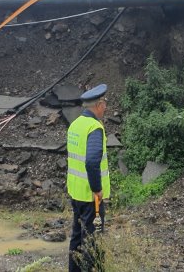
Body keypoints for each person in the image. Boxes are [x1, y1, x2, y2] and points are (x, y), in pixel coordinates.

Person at [66, 84, 110, 272]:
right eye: (105, 103)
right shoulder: (94, 127)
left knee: (77, 237)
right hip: (90, 196)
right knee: (92, 239)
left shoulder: (75, 124)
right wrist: (97, 189)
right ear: (99, 104)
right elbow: (92, 162)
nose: (106, 107)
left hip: (76, 192)